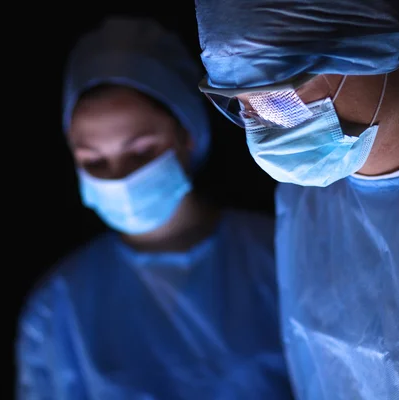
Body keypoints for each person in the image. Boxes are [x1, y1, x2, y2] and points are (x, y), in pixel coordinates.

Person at [194, 0, 399, 398]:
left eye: (278, 98)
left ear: (369, 50)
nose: (264, 128)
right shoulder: (301, 200)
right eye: (241, 103)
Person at [15, 16, 294, 400]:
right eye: (94, 161)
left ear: (187, 135)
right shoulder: (58, 308)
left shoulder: (281, 255)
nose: (120, 178)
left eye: (140, 151)